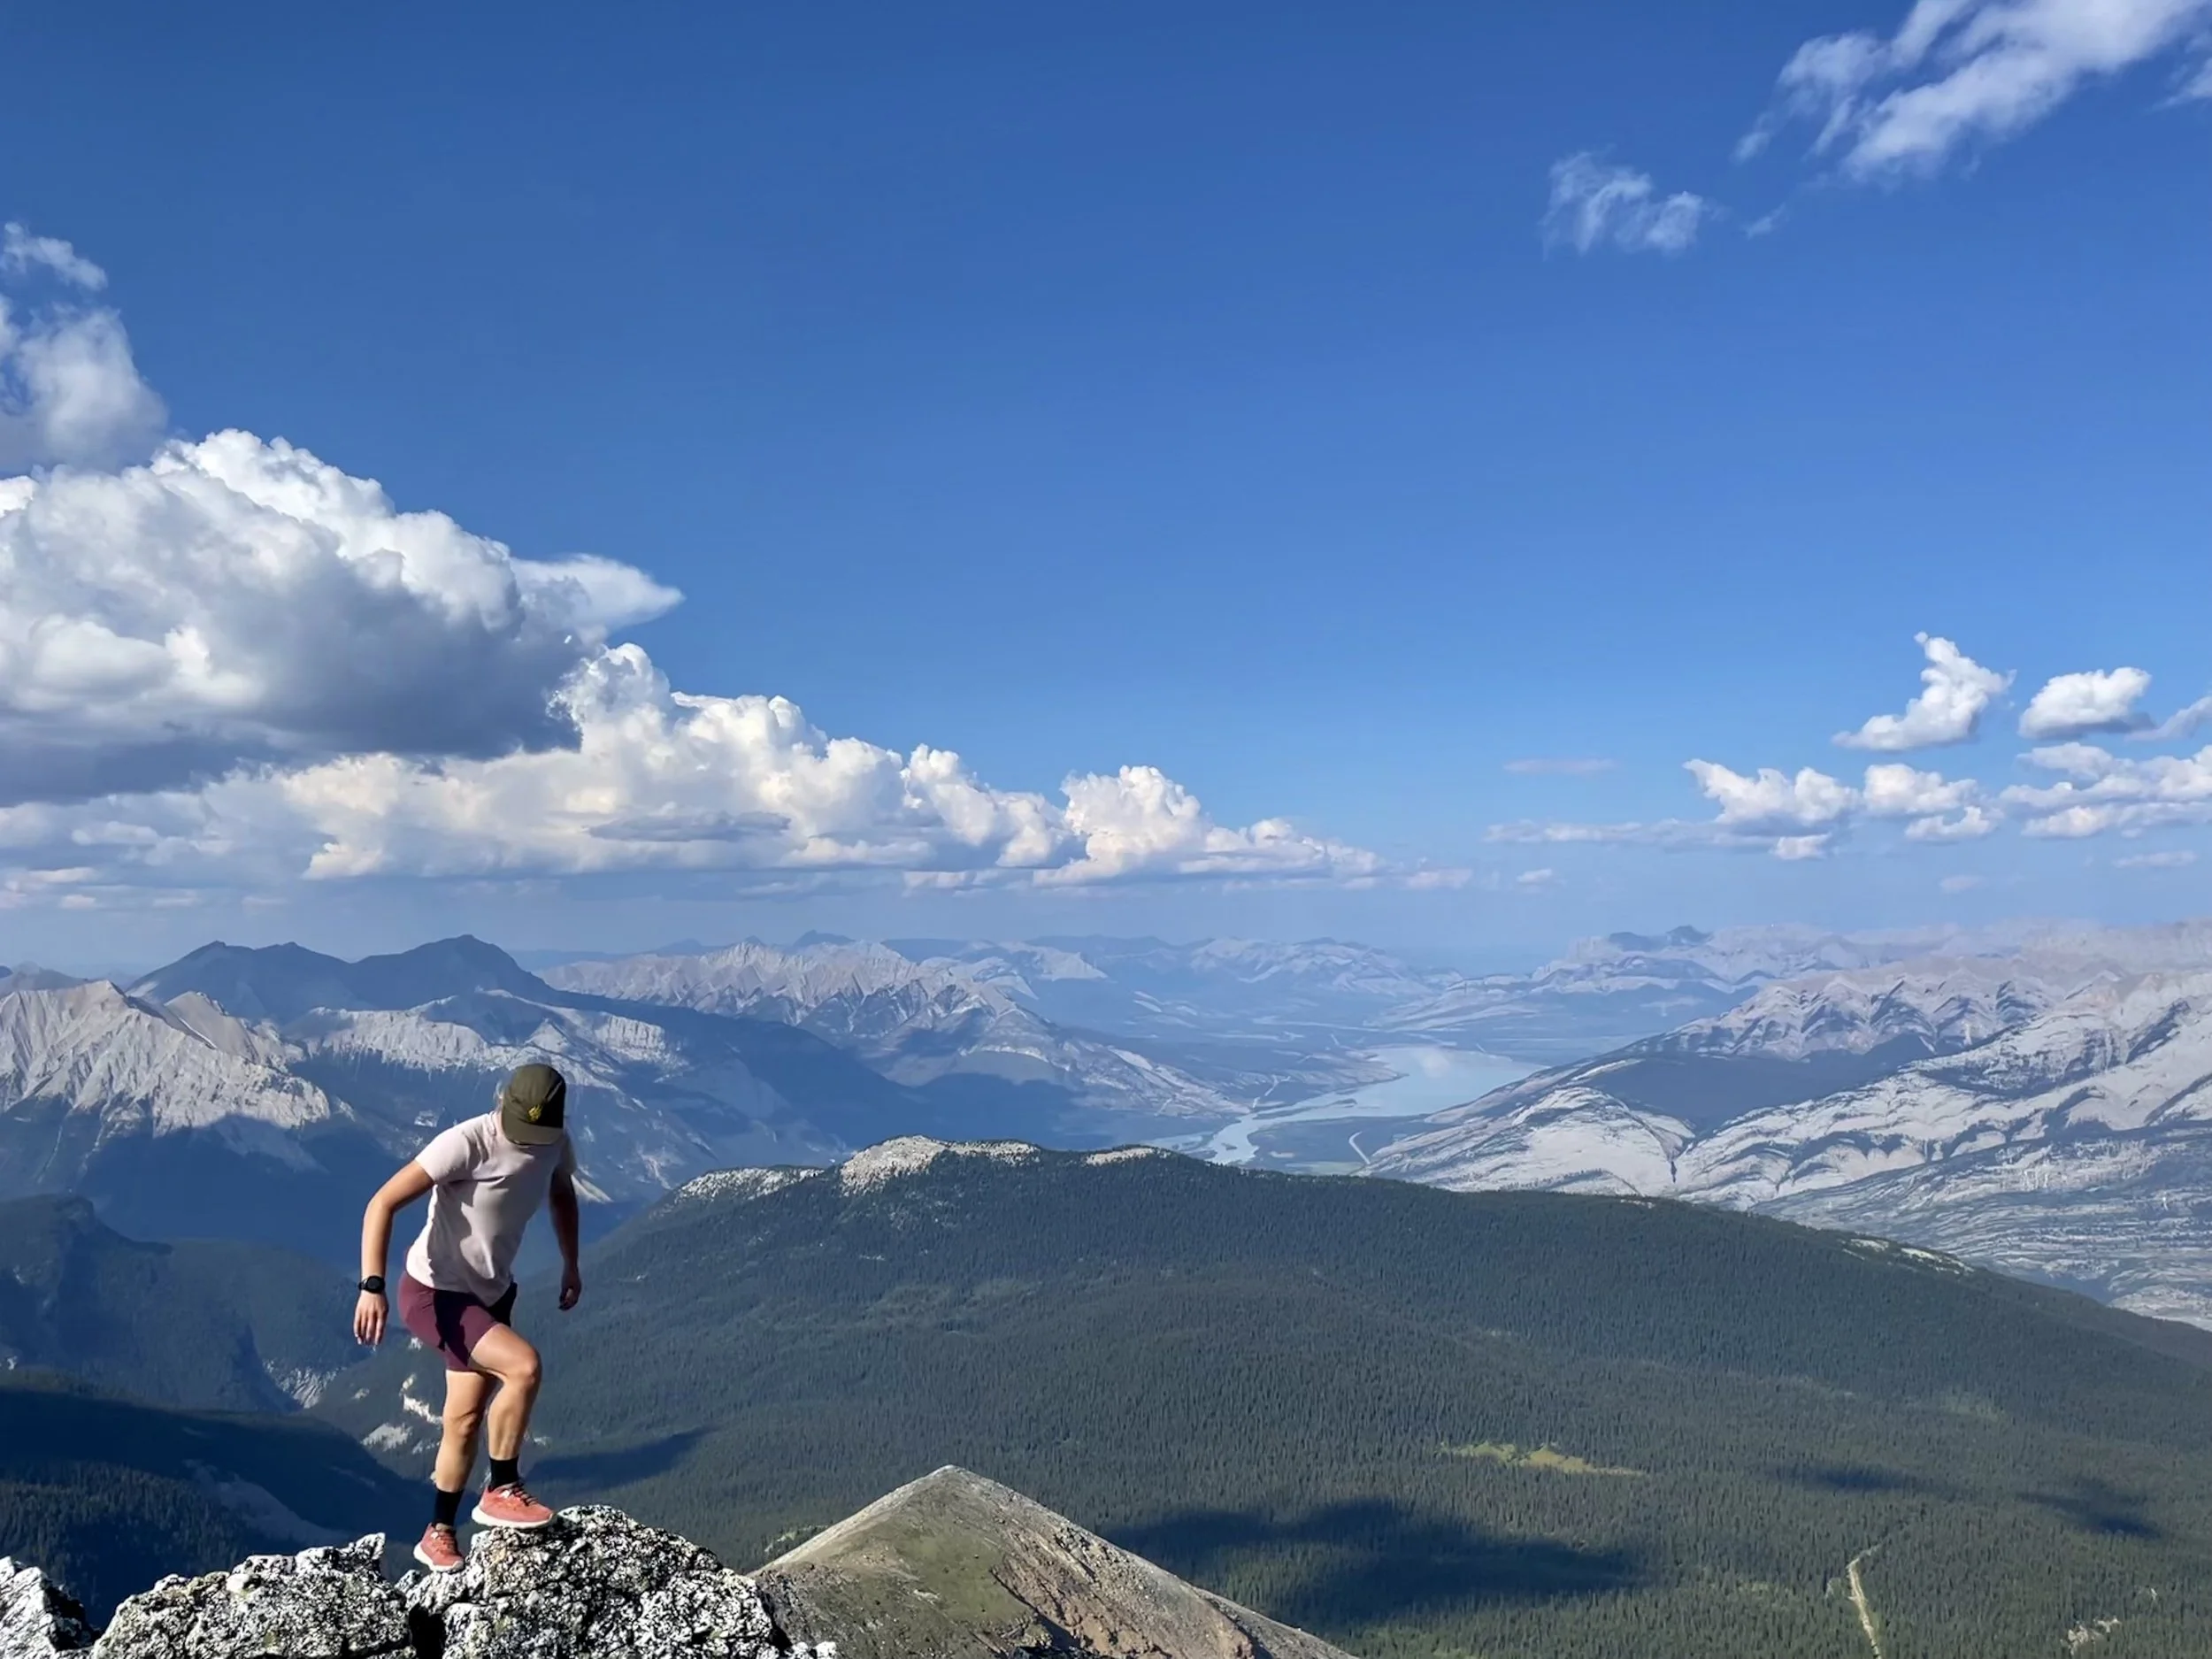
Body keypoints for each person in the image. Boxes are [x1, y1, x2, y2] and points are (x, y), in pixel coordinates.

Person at [353, 1061, 584, 1573]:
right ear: (502, 1102)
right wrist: (372, 1285)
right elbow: (382, 1203)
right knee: (523, 1367)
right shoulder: (465, 1143)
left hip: (492, 1291)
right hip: (434, 1293)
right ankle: (501, 1485)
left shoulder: (554, 1140)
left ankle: (437, 1531)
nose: (528, 1140)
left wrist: (571, 1261)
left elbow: (561, 1193)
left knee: (462, 1419)